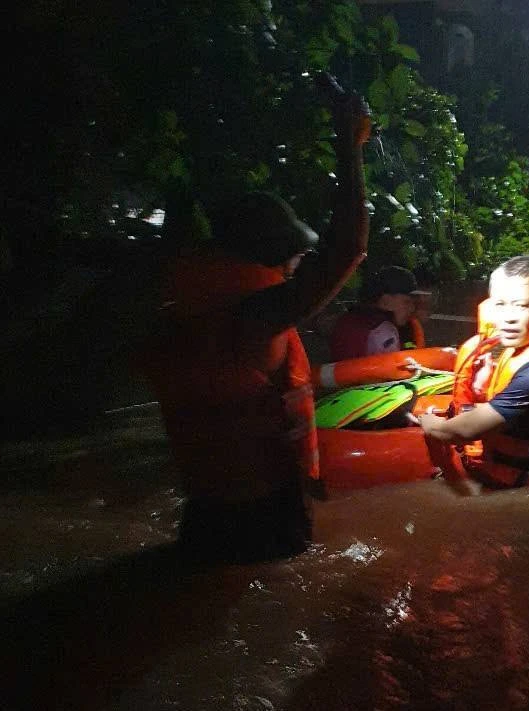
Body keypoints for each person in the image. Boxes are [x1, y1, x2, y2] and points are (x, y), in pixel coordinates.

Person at [142, 77, 371, 562]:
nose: (299, 267)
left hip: (204, 512)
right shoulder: (257, 315)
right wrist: (350, 147)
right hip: (262, 517)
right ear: (273, 255)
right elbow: (348, 247)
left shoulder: (180, 306)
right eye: (295, 257)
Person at [412, 256, 529, 489]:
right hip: (512, 471)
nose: (508, 317)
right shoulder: (517, 347)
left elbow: (463, 431)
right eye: (500, 304)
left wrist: (428, 423)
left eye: (521, 305)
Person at [329, 265, 422, 360]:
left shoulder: (350, 318)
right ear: (385, 301)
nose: (412, 308)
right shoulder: (384, 331)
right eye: (406, 302)